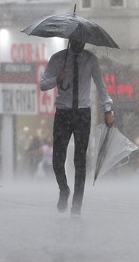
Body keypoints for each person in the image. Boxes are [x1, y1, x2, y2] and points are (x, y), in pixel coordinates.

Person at [40, 39, 114, 216]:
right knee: (58, 160)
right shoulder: (58, 59)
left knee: (80, 161)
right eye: (76, 38)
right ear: (70, 39)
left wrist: (108, 109)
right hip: (63, 112)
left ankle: (77, 205)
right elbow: (43, 84)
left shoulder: (91, 60)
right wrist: (56, 79)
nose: (80, 42)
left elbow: (101, 86)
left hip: (82, 114)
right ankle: (64, 189)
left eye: (82, 38)